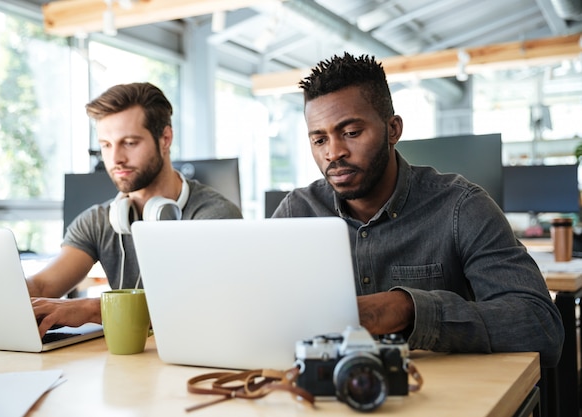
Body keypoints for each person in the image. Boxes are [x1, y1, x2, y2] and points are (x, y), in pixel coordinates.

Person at [272, 53, 564, 368]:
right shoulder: (296, 212)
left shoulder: (462, 207)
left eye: (351, 133)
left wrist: (408, 310)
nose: (334, 152)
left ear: (393, 129)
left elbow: (540, 326)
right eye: (319, 140)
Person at [28, 82, 242, 337]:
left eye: (129, 143)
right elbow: (42, 285)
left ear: (165, 139)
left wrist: (90, 309)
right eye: (106, 145)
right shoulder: (99, 220)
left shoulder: (214, 217)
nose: (115, 158)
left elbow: (201, 306)